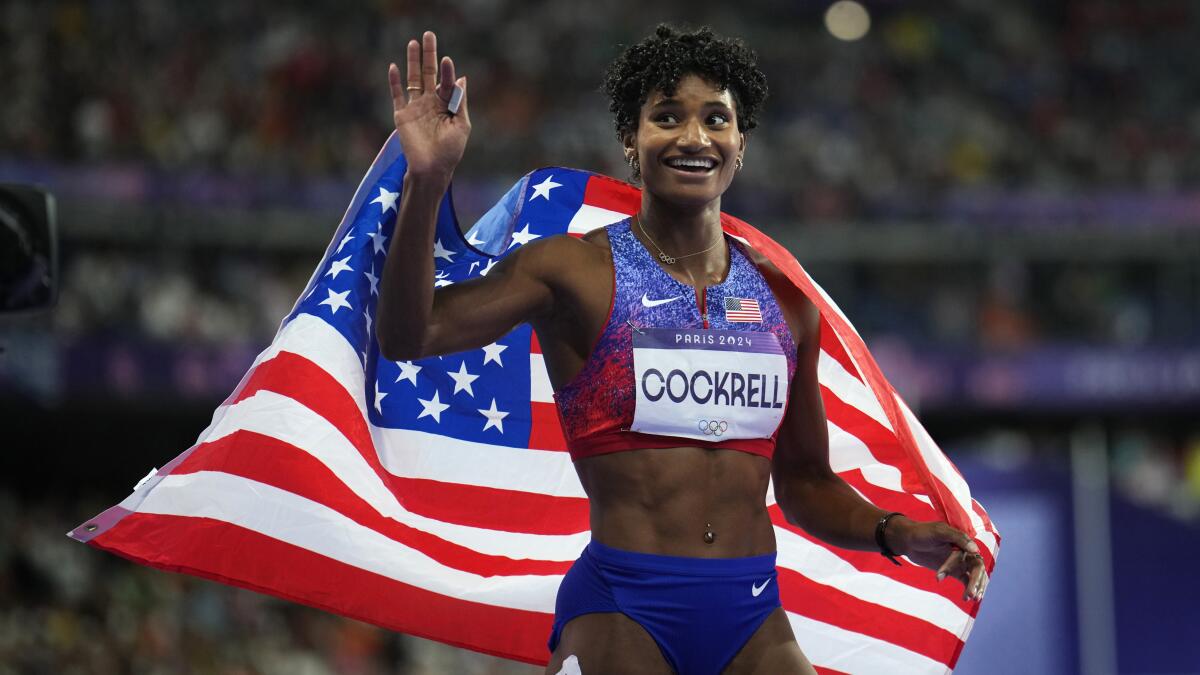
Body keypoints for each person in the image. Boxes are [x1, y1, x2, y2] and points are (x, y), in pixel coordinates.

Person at [377, 24, 988, 675]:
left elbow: (805, 482)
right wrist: (429, 179)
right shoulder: (575, 271)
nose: (694, 137)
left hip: (752, 613)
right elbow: (413, 333)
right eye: (667, 117)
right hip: (622, 609)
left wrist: (897, 531)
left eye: (715, 119)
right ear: (631, 143)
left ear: (740, 143)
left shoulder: (785, 300)